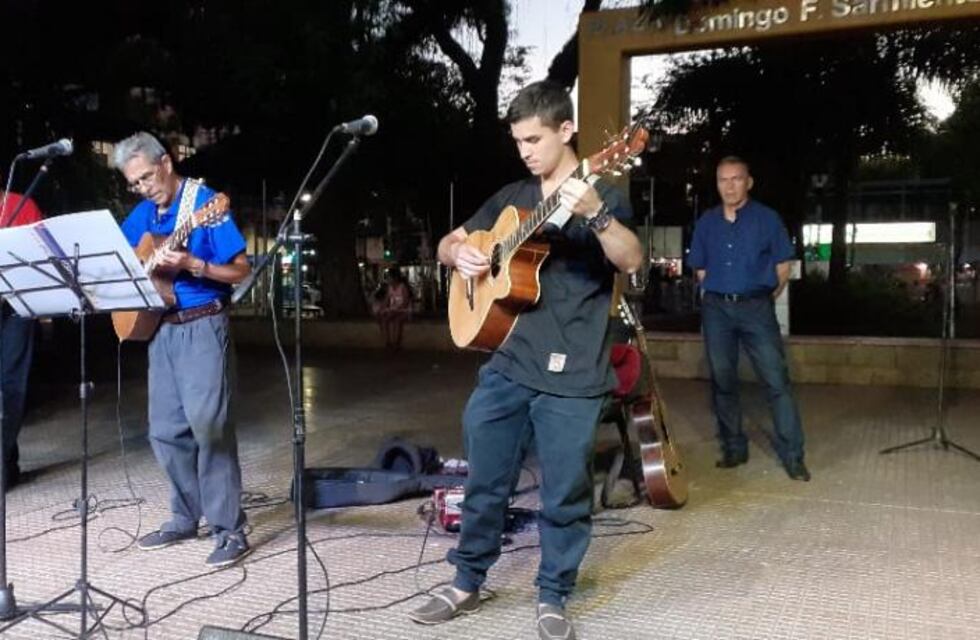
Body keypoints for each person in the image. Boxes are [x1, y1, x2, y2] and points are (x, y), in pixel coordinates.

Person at [409, 80, 643, 640]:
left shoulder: (604, 194)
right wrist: (460, 255)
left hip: (573, 372)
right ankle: (467, 582)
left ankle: (553, 594)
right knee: (485, 482)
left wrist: (597, 217)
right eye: (517, 141)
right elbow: (448, 242)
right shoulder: (512, 196)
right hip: (508, 364)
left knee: (564, 495)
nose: (525, 152)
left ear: (567, 130)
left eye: (534, 140)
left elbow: (632, 259)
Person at [112, 132, 252, 566]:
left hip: (203, 324)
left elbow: (241, 271)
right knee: (165, 430)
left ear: (167, 163)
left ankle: (229, 529)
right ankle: (185, 517)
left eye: (146, 177)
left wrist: (194, 264)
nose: (142, 188)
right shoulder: (143, 214)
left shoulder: (205, 204)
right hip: (160, 328)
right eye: (134, 183)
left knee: (210, 427)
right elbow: (122, 258)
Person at [687, 156, 810, 481]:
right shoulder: (707, 223)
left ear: (748, 182)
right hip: (717, 309)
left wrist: (762, 298)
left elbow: (783, 267)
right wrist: (721, 292)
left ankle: (793, 456)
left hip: (756, 308)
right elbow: (701, 269)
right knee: (723, 381)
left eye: (736, 179)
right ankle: (734, 449)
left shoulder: (767, 219)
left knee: (776, 381)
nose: (729, 186)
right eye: (723, 180)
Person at [0, 178, 42, 490]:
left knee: (11, 384)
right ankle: (7, 464)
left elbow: (42, 257)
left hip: (16, 306)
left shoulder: (23, 205)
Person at [378, 266, 413, 349]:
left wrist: (396, 310)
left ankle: (396, 342)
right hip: (393, 309)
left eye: (389, 277)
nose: (388, 279)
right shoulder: (390, 288)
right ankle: (388, 342)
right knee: (384, 320)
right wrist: (381, 308)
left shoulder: (402, 287)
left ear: (395, 278)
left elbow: (405, 302)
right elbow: (386, 300)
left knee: (397, 321)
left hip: (404, 310)